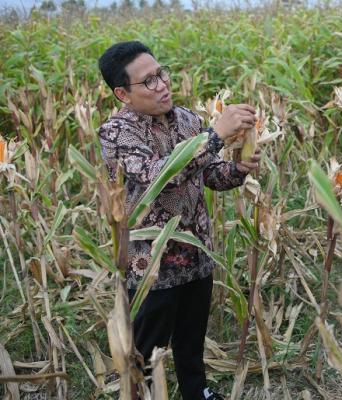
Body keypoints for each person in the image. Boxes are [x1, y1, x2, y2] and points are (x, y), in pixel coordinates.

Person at [97, 41, 260, 400]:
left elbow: (209, 176)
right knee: (147, 350)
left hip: (196, 255)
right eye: (149, 81)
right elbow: (159, 176)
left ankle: (196, 392)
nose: (162, 85)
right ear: (122, 94)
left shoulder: (187, 120)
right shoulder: (117, 134)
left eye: (161, 74)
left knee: (191, 345)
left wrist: (237, 169)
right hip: (152, 266)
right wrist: (215, 136)